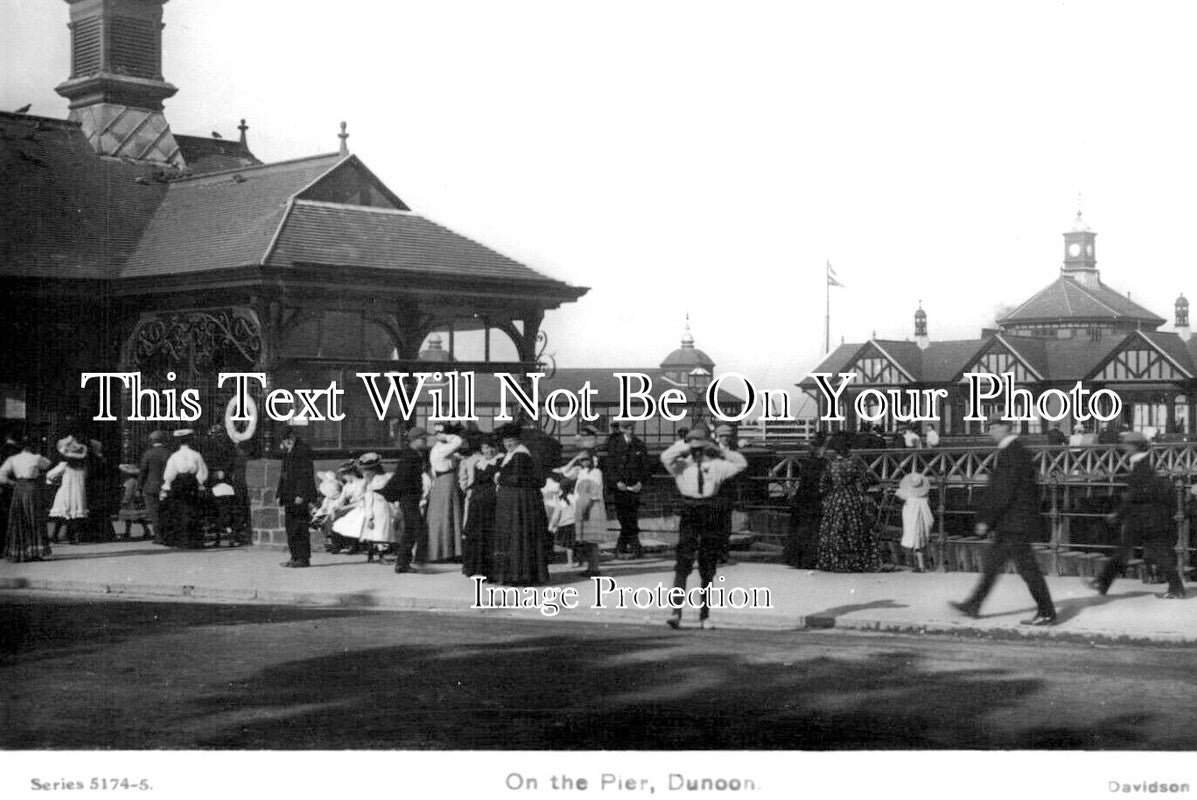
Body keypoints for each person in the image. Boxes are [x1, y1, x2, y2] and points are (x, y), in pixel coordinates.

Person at [951, 413, 1057, 626]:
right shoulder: (1017, 451)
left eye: (991, 427)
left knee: (1027, 569)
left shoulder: (1011, 453)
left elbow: (1002, 491)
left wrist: (986, 520)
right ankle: (973, 603)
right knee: (994, 565)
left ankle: (1047, 612)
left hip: (1013, 522)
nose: (989, 432)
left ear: (1003, 427)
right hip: (1015, 521)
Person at [659, 423, 748, 629]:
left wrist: (718, 450)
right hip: (689, 510)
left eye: (700, 448)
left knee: (707, 565)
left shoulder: (717, 465)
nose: (697, 452)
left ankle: (704, 616)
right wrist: (687, 445)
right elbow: (665, 457)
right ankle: (676, 612)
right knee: (683, 563)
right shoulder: (681, 466)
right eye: (694, 448)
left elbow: (741, 463)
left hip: (710, 511)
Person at [1090, 432, 1186, 599]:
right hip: (1145, 518)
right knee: (1130, 551)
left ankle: (1177, 589)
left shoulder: (1142, 466)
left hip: (1143, 518)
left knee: (1138, 551)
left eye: (1127, 444)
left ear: (1134, 446)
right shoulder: (1142, 463)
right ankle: (1103, 582)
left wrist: (1118, 514)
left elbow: (1134, 495)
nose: (1124, 447)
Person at [493, 421, 551, 586]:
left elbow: (517, 478)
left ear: (518, 440)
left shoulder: (520, 455)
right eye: (506, 441)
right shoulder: (512, 455)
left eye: (511, 440)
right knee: (512, 536)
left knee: (517, 535)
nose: (508, 444)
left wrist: (499, 478)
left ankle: (519, 575)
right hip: (514, 501)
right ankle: (513, 574)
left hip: (520, 502)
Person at [815, 432, 881, 572]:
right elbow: (865, 480)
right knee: (855, 529)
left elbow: (822, 485)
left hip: (835, 498)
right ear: (847, 449)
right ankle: (855, 561)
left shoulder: (831, 465)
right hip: (851, 497)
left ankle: (834, 561)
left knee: (834, 530)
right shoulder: (854, 462)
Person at [379, 427, 430, 573]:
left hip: (409, 497)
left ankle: (403, 563)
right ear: (414, 440)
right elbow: (402, 478)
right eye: (423, 439)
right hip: (409, 497)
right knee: (416, 528)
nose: (425, 441)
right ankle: (409, 561)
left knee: (411, 529)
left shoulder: (414, 454)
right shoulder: (410, 456)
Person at [1, 436, 52, 562]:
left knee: (19, 518)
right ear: (31, 446)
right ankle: (35, 551)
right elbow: (47, 465)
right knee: (34, 516)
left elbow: (1, 475)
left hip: (19, 488)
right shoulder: (36, 458)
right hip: (31, 488)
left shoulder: (12, 459)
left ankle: (19, 552)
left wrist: (11, 483)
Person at [605, 421, 650, 559]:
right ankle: (634, 548)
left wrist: (640, 483)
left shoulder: (639, 444)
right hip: (620, 488)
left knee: (631, 517)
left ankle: (624, 548)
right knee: (624, 517)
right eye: (627, 428)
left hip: (634, 487)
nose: (630, 431)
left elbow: (646, 467)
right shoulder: (614, 444)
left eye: (632, 429)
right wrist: (617, 482)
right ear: (623, 429)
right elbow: (610, 466)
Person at [160, 429, 209, 548]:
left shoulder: (175, 456)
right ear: (190, 441)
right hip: (192, 484)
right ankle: (194, 539)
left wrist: (166, 486)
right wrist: (200, 484)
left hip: (179, 485)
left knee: (179, 511)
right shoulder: (196, 455)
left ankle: (181, 539)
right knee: (193, 511)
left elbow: (169, 475)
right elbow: (202, 472)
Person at [461, 436, 502, 579]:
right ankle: (476, 569)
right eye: (485, 447)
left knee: (489, 536)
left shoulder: (500, 461)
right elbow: (475, 483)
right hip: (477, 503)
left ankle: (490, 571)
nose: (489, 450)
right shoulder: (479, 463)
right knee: (475, 534)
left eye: (491, 447)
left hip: (491, 502)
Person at [276, 428, 317, 567]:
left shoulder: (302, 451)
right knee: (291, 527)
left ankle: (303, 558)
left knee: (300, 527)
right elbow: (283, 475)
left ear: (292, 437)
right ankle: (294, 556)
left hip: (298, 495)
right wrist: (279, 494)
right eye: (284, 439)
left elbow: (305, 476)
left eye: (288, 438)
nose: (285, 442)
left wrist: (301, 494)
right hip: (289, 495)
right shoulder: (288, 451)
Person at [784, 438, 827, 569]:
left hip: (803, 498)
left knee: (802, 530)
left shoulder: (806, 464)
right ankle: (812, 559)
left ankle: (798, 559)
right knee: (814, 530)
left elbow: (803, 482)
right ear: (821, 448)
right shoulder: (824, 463)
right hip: (816, 498)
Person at [426, 422, 465, 561]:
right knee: (447, 515)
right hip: (447, 481)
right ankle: (446, 552)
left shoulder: (438, 448)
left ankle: (440, 551)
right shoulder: (443, 448)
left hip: (441, 482)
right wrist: (448, 436)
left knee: (441, 516)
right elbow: (458, 441)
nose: (438, 436)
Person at [47, 436, 89, 545]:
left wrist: (54, 481)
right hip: (78, 493)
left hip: (66, 492)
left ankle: (55, 535)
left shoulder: (64, 465)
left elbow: (50, 475)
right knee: (75, 515)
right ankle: (73, 537)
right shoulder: (83, 468)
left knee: (62, 515)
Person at [896, 472, 934, 572]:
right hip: (921, 523)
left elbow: (899, 493)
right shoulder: (924, 499)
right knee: (920, 542)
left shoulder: (909, 498)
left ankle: (917, 565)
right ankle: (921, 565)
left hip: (911, 523)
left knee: (912, 541)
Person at [137, 430, 170, 543]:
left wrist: (139, 487)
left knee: (154, 513)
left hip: (151, 487)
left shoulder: (148, 454)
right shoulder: (168, 453)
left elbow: (143, 472)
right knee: (165, 511)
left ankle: (159, 536)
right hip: (166, 486)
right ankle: (167, 535)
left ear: (152, 441)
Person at [116, 464, 149, 539]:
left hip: (130, 503)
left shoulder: (129, 482)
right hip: (137, 501)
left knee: (128, 519)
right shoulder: (136, 481)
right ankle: (146, 530)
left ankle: (128, 532)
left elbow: (128, 492)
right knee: (141, 518)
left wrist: (125, 500)